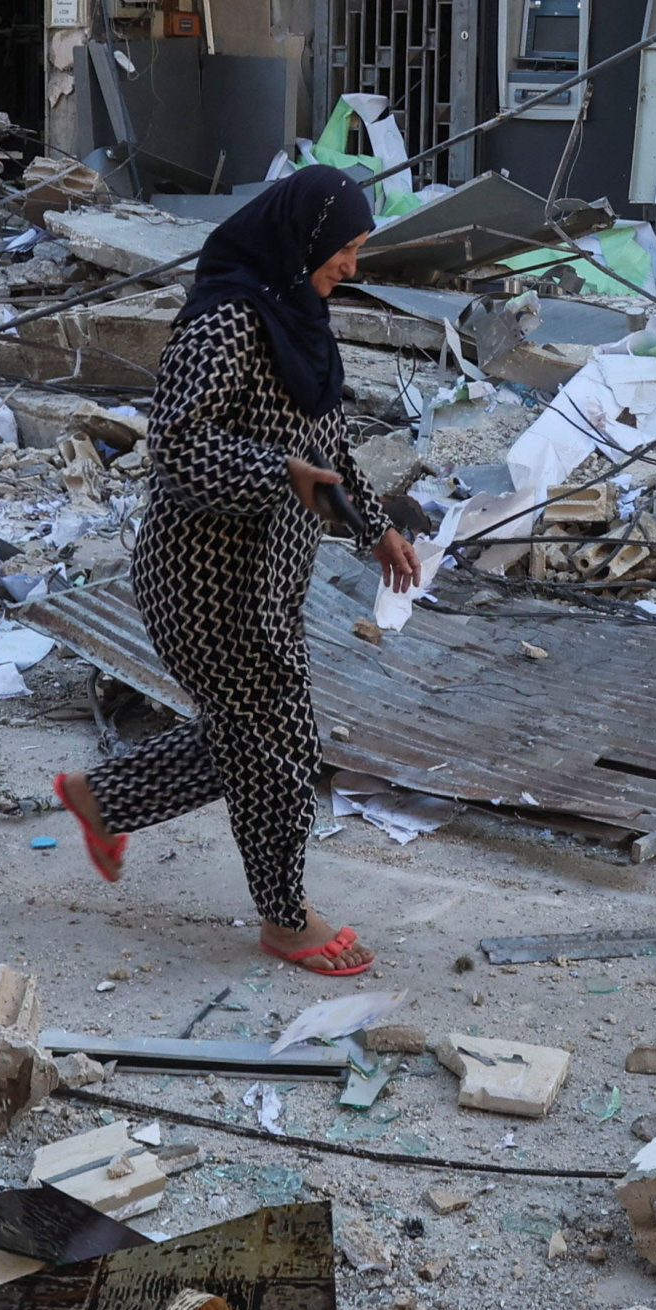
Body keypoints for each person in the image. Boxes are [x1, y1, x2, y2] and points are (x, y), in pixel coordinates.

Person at [50, 168, 421, 976]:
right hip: (204, 582)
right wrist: (277, 472)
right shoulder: (223, 321)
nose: (350, 267)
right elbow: (178, 445)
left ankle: (102, 800)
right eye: (345, 249)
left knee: (246, 735)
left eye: (358, 250)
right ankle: (286, 917)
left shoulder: (298, 313)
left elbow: (328, 447)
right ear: (303, 238)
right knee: (281, 746)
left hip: (266, 580)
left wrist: (377, 526)